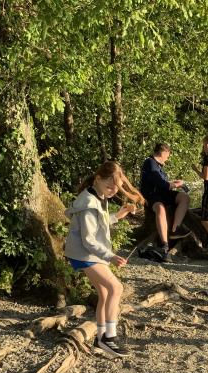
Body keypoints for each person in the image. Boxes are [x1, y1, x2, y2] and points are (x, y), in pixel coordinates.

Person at [64, 161, 142, 357]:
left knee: (106, 293)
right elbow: (89, 240)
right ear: (98, 178)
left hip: (88, 253)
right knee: (117, 288)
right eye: (109, 186)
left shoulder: (98, 196)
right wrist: (111, 256)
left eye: (116, 188)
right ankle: (109, 337)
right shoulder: (88, 203)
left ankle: (100, 339)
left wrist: (118, 215)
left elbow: (100, 222)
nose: (113, 191)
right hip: (85, 254)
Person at [139, 142, 191, 262]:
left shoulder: (158, 166)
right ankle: (164, 244)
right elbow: (161, 184)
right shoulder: (150, 163)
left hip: (163, 194)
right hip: (152, 196)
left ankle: (175, 229)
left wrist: (173, 182)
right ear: (164, 152)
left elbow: (162, 182)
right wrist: (177, 184)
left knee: (184, 198)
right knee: (160, 209)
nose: (168, 158)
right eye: (168, 155)